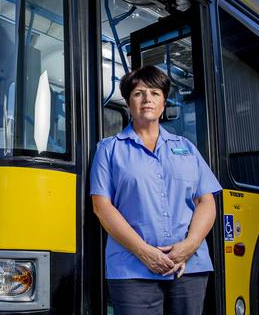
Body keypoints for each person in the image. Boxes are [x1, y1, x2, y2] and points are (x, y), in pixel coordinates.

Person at [90, 65, 221, 315]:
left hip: (188, 267)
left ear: (163, 104)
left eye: (155, 93)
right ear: (129, 103)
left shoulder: (187, 148)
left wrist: (190, 246)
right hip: (131, 270)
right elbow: (101, 206)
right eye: (139, 93)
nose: (147, 98)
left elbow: (206, 201)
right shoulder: (108, 150)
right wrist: (144, 252)